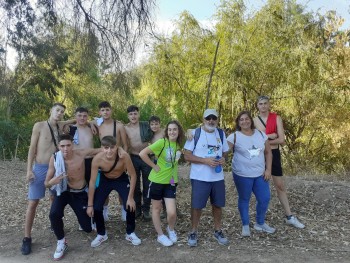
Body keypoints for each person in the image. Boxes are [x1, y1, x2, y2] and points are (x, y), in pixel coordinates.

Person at [44, 134, 101, 260]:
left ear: (72, 145)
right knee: (54, 214)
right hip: (63, 191)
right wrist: (52, 182)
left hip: (79, 193)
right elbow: (46, 183)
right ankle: (61, 241)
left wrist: (117, 149)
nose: (65, 149)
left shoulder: (80, 153)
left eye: (68, 145)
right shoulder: (54, 158)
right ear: (58, 146)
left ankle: (86, 219)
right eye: (62, 146)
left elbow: (100, 150)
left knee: (87, 228)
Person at [21, 102, 68, 255]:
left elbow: (74, 120)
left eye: (62, 111)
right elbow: (32, 149)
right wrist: (29, 170)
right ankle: (27, 238)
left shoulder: (61, 126)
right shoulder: (39, 126)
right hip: (40, 168)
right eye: (57, 110)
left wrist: (93, 122)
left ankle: (53, 223)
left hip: (55, 168)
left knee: (54, 198)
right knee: (33, 203)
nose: (59, 113)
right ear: (51, 110)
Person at [254, 96, 305, 229]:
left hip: (274, 154)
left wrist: (264, 139)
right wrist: (270, 136)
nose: (263, 106)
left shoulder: (276, 118)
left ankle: (289, 216)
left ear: (269, 105)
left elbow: (281, 140)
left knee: (280, 186)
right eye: (261, 104)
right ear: (257, 106)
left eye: (265, 103)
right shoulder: (254, 121)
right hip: (259, 155)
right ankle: (260, 221)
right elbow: (253, 141)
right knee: (260, 189)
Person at [184, 109, 229, 247]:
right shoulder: (195, 134)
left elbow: (226, 152)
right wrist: (205, 161)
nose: (211, 121)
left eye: (213, 118)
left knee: (217, 205)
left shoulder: (221, 133)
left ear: (217, 119)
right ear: (203, 119)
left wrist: (223, 159)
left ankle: (218, 230)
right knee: (197, 206)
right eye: (208, 118)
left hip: (217, 177)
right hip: (200, 177)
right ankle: (193, 231)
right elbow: (187, 155)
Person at [87, 136, 141, 247]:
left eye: (112, 147)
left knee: (130, 205)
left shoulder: (124, 156)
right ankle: (101, 234)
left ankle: (130, 232)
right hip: (105, 179)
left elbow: (133, 175)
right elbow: (92, 182)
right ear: (102, 148)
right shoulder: (97, 159)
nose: (109, 150)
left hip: (121, 179)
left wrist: (130, 198)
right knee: (96, 207)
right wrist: (90, 204)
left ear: (116, 147)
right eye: (106, 148)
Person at [227, 111, 275, 237]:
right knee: (244, 199)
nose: (244, 121)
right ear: (238, 123)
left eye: (246, 119)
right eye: (241, 120)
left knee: (264, 198)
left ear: (251, 120)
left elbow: (268, 153)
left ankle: (260, 223)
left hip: (260, 174)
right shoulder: (234, 136)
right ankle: (245, 225)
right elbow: (223, 151)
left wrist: (268, 169)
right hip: (242, 175)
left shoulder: (260, 134)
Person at [139, 120, 185, 247]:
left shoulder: (179, 145)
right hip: (156, 181)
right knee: (157, 209)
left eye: (175, 129)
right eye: (170, 129)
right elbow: (142, 153)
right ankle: (160, 235)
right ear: (167, 131)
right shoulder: (162, 142)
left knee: (171, 212)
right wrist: (154, 166)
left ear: (179, 131)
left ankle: (171, 229)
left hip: (171, 182)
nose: (172, 132)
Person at [91, 101, 128, 221]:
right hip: (104, 160)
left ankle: (124, 211)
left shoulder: (119, 126)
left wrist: (124, 160)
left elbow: (125, 145)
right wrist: (91, 124)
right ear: (99, 112)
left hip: (118, 159)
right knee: (103, 188)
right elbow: (82, 121)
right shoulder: (98, 124)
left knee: (121, 188)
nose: (105, 112)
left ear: (111, 110)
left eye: (107, 109)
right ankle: (105, 211)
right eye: (102, 110)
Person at [124, 105, 153, 220]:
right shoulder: (125, 128)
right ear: (128, 116)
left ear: (139, 114)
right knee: (134, 185)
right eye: (131, 114)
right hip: (133, 158)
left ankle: (146, 210)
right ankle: (137, 209)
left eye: (135, 113)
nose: (133, 116)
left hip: (146, 158)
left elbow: (160, 130)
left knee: (147, 184)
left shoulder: (146, 125)